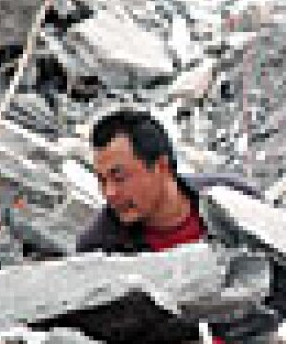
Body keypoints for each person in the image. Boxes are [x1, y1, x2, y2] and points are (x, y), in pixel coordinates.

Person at [77, 108, 259, 254]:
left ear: (161, 167)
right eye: (101, 180)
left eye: (119, 178)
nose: (110, 193)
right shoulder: (99, 248)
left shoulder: (236, 200)